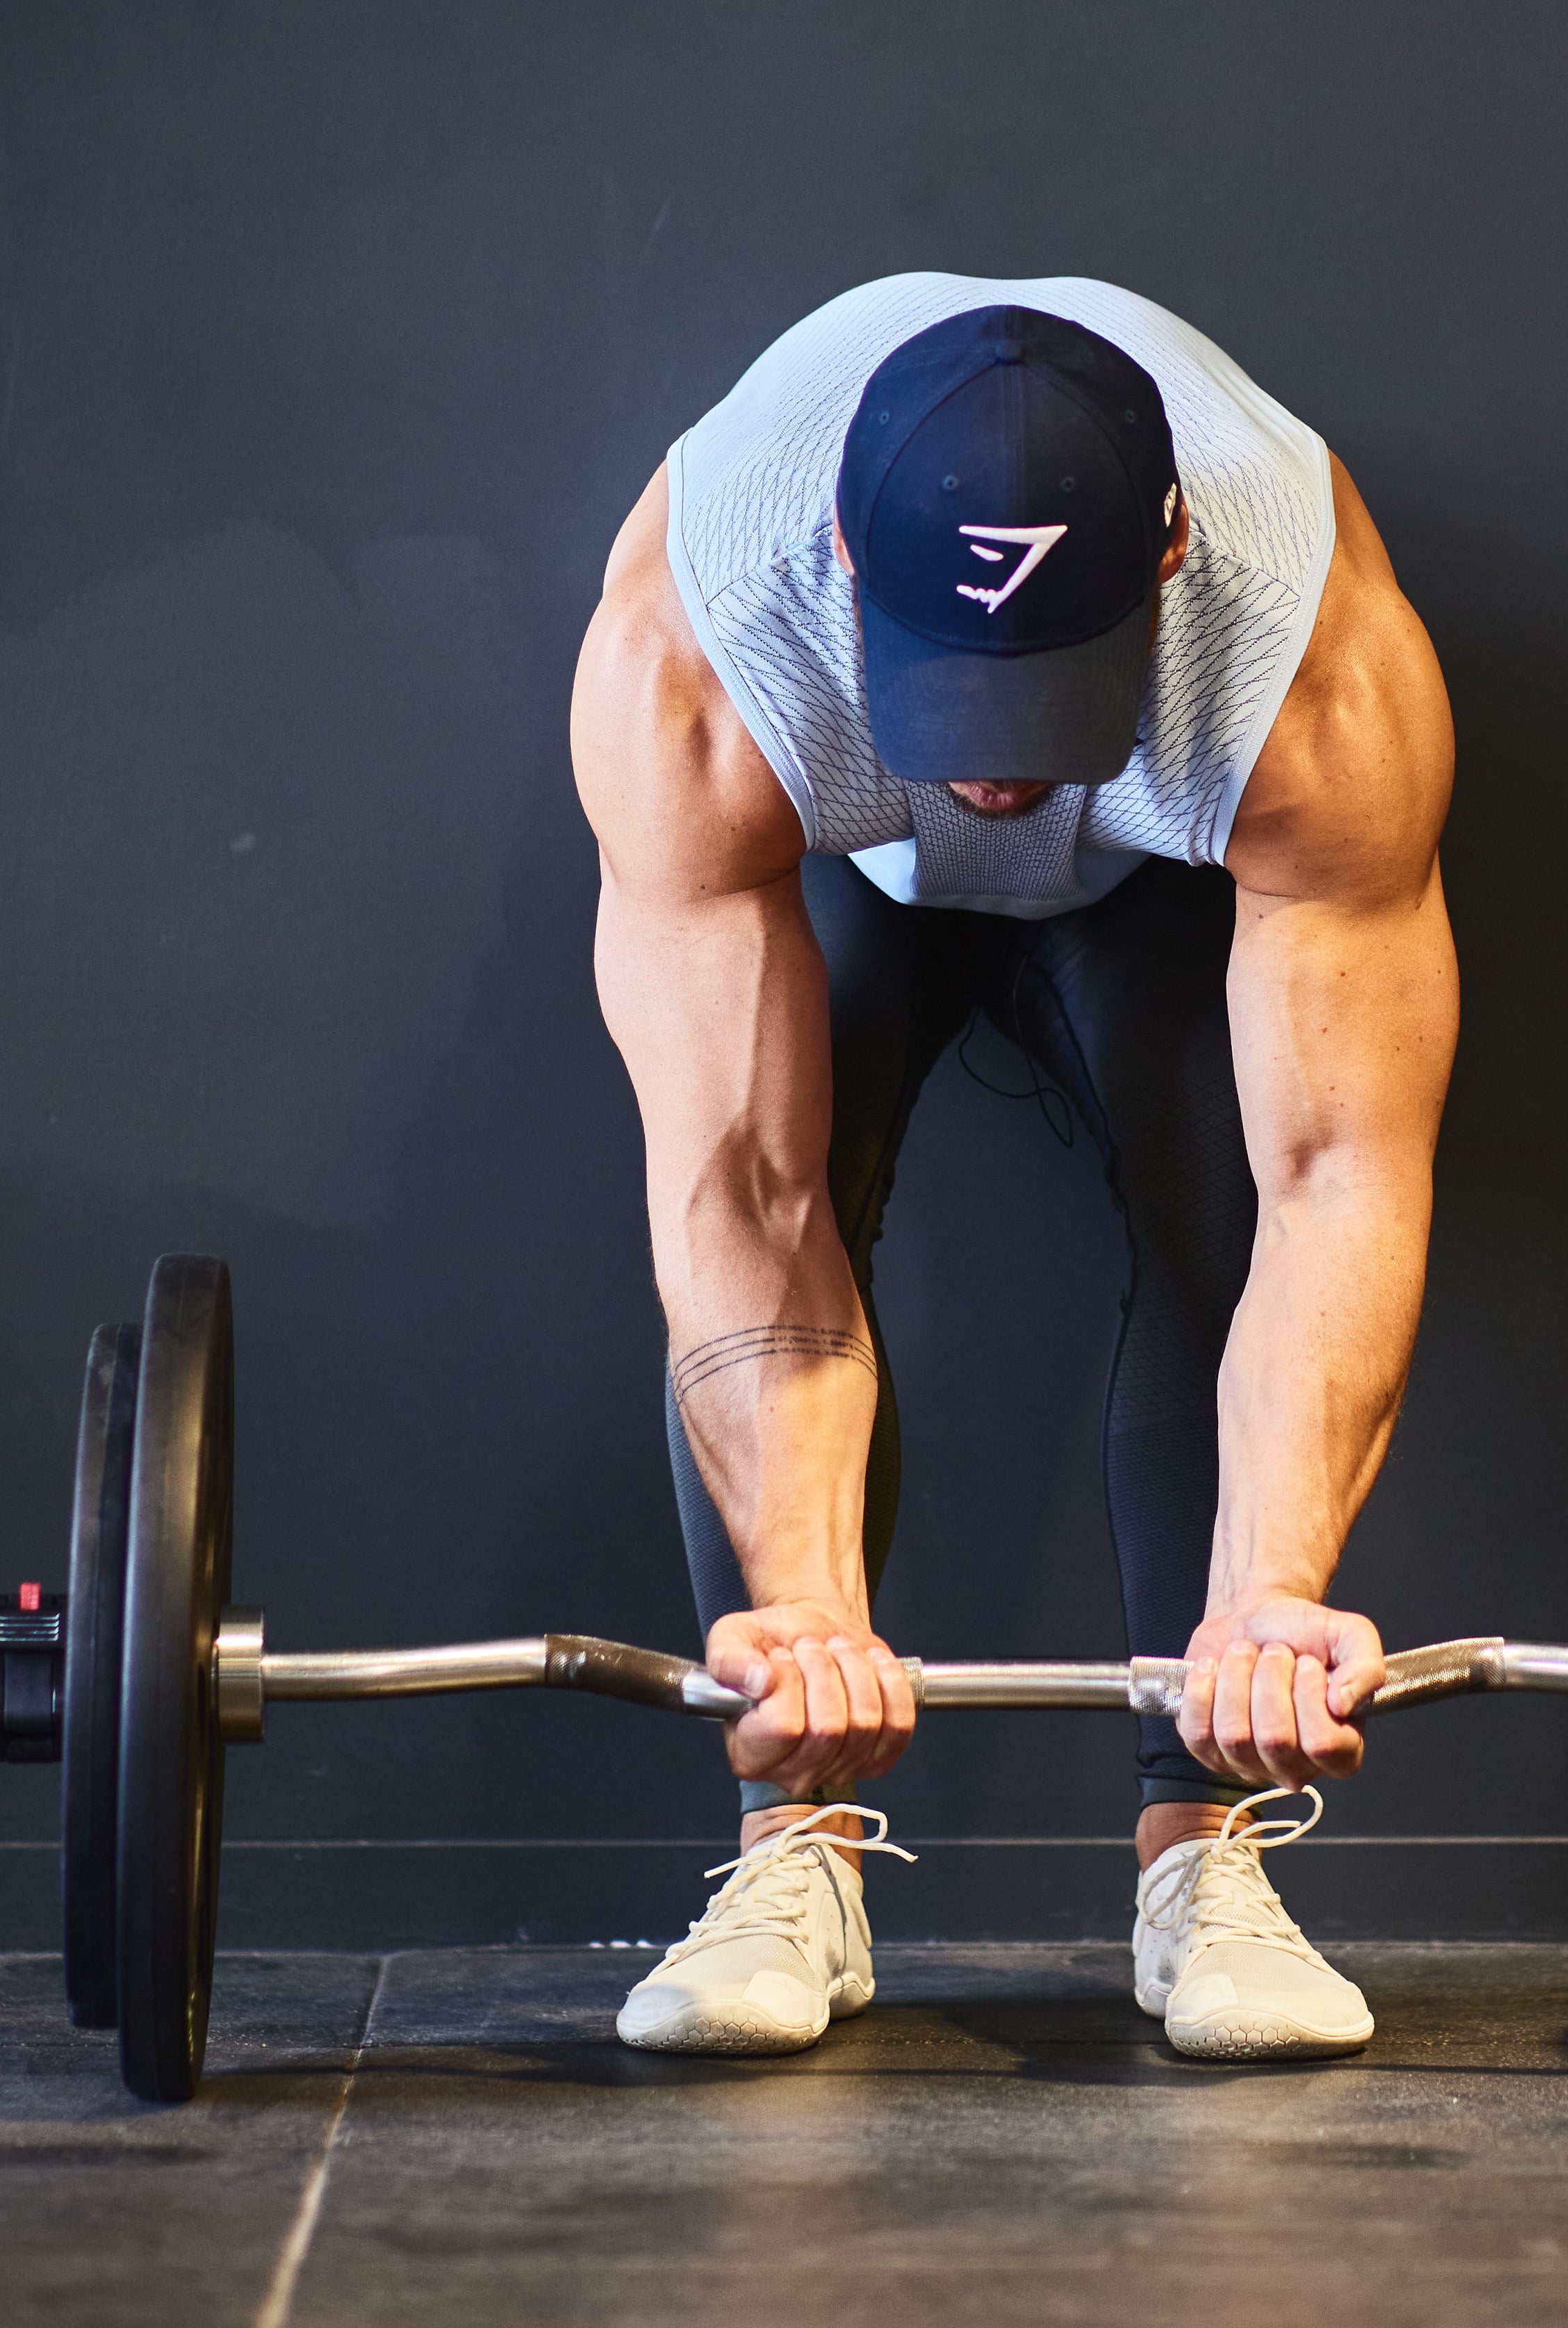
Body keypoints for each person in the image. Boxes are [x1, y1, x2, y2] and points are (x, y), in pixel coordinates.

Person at [570, 276, 1456, 2061]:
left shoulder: (1312, 673)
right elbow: (742, 1191)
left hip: (1152, 874)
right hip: (842, 855)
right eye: (958, 698)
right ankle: (792, 1852)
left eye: (1042, 698)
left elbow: (1335, 1181)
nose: (993, 773)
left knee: (1216, 1215)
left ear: (1173, 557)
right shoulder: (707, 651)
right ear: (840, 553)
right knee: (790, 1199)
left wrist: (1270, 1599)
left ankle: (1211, 1859)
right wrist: (805, 1614)